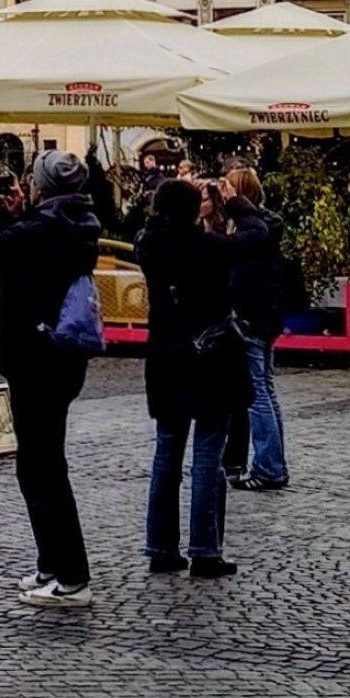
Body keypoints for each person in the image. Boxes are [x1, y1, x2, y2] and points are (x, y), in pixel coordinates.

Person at [0, 149, 100, 610]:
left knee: (43, 467)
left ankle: (72, 576)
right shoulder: (77, 221)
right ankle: (52, 563)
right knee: (38, 463)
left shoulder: (41, 231)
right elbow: (31, 252)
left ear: (41, 186)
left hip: (36, 358)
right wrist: (22, 214)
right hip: (61, 355)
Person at [135, 178, 249, 578]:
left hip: (166, 356)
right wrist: (237, 205)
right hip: (211, 357)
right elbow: (259, 238)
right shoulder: (209, 248)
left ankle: (161, 547)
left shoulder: (147, 244)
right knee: (207, 454)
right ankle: (205, 549)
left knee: (167, 453)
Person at [221, 164, 292, 491]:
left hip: (251, 318)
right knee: (266, 389)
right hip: (267, 317)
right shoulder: (268, 227)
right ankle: (274, 462)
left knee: (256, 394)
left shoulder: (253, 233)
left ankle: (269, 466)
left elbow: (243, 279)